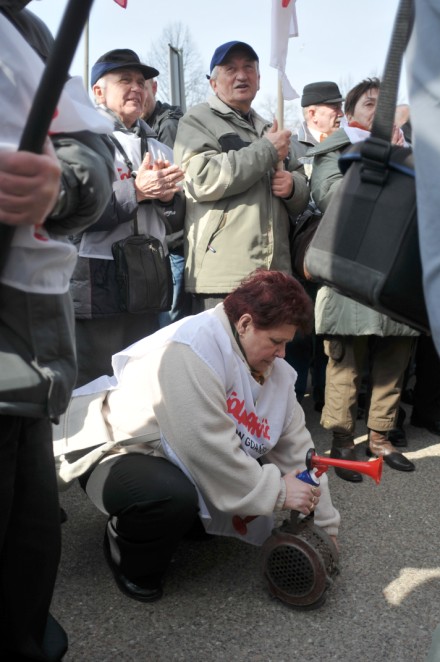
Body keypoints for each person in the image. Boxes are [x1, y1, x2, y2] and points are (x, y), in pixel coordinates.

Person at [55, 269, 340, 603]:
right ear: (245, 323)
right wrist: (278, 490)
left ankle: (180, 524)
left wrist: (326, 531)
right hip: (120, 450)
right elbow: (204, 449)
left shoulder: (271, 370)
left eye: (286, 344)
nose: (281, 354)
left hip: (176, 455)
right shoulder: (191, 348)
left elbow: (301, 454)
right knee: (170, 498)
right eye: (276, 342)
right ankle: (127, 553)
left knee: (211, 510)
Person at [0, 2, 114, 660]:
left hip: (29, 365)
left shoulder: (27, 32)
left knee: (30, 551)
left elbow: (88, 156)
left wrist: (61, 185)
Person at [309, 77, 418, 481]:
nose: (380, 110)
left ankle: (380, 439)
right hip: (350, 277)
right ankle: (342, 442)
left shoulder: (413, 157)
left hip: (396, 281)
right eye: (371, 104)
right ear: (349, 114)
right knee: (345, 368)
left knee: (394, 365)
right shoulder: (336, 150)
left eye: (386, 104)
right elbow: (330, 197)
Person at [70, 49, 185, 386]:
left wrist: (168, 201)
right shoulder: (81, 141)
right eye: (125, 80)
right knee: (93, 385)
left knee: (138, 383)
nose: (137, 87)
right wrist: (135, 192)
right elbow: (75, 212)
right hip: (96, 280)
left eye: (141, 81)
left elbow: (177, 223)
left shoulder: (161, 149)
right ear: (98, 91)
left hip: (147, 281)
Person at [173, 40, 309, 313]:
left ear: (259, 80)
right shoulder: (197, 120)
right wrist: (267, 150)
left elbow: (302, 187)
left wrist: (293, 187)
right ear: (214, 83)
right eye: (230, 69)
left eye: (249, 68)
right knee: (223, 354)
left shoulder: (270, 127)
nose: (241, 75)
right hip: (223, 278)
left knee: (267, 355)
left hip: (274, 276)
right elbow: (202, 178)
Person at [286, 81, 344, 409]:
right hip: (302, 254)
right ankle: (293, 400)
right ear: (311, 113)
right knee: (298, 330)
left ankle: (327, 399)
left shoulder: (346, 146)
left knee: (330, 330)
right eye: (333, 107)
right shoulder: (293, 146)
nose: (340, 113)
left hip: (337, 253)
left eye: (340, 107)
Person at [141, 77, 191, 325]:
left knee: (167, 324)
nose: (137, 93)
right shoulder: (141, 127)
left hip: (172, 244)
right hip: (161, 243)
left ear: (154, 87)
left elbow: (172, 182)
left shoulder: (168, 126)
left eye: (142, 85)